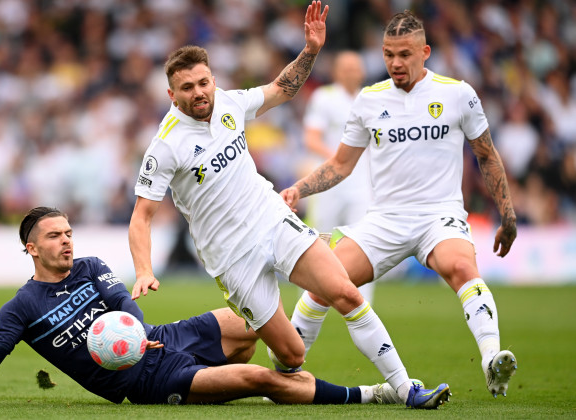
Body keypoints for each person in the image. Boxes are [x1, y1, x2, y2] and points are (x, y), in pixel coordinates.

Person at [129, 1, 449, 409]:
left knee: (345, 293)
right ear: (172, 94)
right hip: (231, 257)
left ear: (213, 80)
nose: (199, 93)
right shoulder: (165, 146)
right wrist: (143, 270)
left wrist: (312, 50)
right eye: (188, 88)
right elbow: (142, 217)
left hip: (272, 219)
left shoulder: (229, 102)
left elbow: (282, 88)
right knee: (293, 354)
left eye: (204, 83)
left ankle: (405, 390)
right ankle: (285, 378)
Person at [0, 206, 403, 407]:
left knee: (256, 320)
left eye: (68, 233)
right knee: (260, 379)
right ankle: (371, 394)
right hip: (145, 379)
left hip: (162, 339)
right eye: (54, 236)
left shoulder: (90, 266)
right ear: (31, 248)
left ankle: (288, 354)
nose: (67, 242)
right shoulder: (22, 308)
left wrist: (135, 327)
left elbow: (121, 301)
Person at [280, 10, 518, 398]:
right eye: (389, 54)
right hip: (384, 220)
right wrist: (299, 190)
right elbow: (341, 163)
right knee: (325, 282)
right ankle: (288, 365)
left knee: (460, 266)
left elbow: (486, 154)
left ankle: (492, 359)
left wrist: (508, 216)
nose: (395, 63)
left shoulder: (458, 94)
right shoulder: (370, 100)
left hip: (438, 216)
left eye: (404, 54)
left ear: (425, 52)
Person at [294, 51, 374, 356]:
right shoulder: (324, 98)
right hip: (329, 184)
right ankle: (308, 310)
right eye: (346, 67)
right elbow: (310, 138)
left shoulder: (369, 98)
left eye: (356, 67)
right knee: (319, 244)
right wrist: (338, 160)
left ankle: (363, 310)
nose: (352, 72)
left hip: (361, 184)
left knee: (363, 242)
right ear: (337, 71)